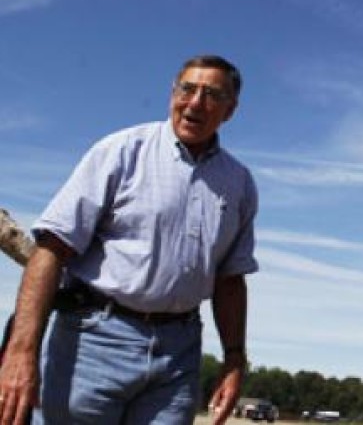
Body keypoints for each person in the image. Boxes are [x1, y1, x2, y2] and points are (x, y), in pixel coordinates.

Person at [0, 55, 259, 425]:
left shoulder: (239, 183)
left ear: (230, 110)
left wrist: (235, 360)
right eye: (188, 89)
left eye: (212, 94)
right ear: (173, 93)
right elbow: (52, 249)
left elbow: (230, 280)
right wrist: (20, 351)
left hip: (178, 354)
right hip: (94, 343)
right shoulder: (121, 151)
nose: (196, 102)